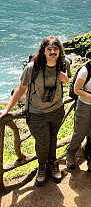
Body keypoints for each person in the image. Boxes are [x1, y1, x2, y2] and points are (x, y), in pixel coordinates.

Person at [0, 36, 70, 186]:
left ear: (59, 50)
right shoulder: (32, 68)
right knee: (43, 141)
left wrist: (65, 79)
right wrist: (7, 109)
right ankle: (42, 166)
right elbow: (21, 89)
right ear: (43, 51)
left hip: (57, 109)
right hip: (37, 112)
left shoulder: (64, 63)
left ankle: (52, 164)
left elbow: (67, 79)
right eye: (49, 49)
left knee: (53, 138)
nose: (52, 52)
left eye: (55, 49)